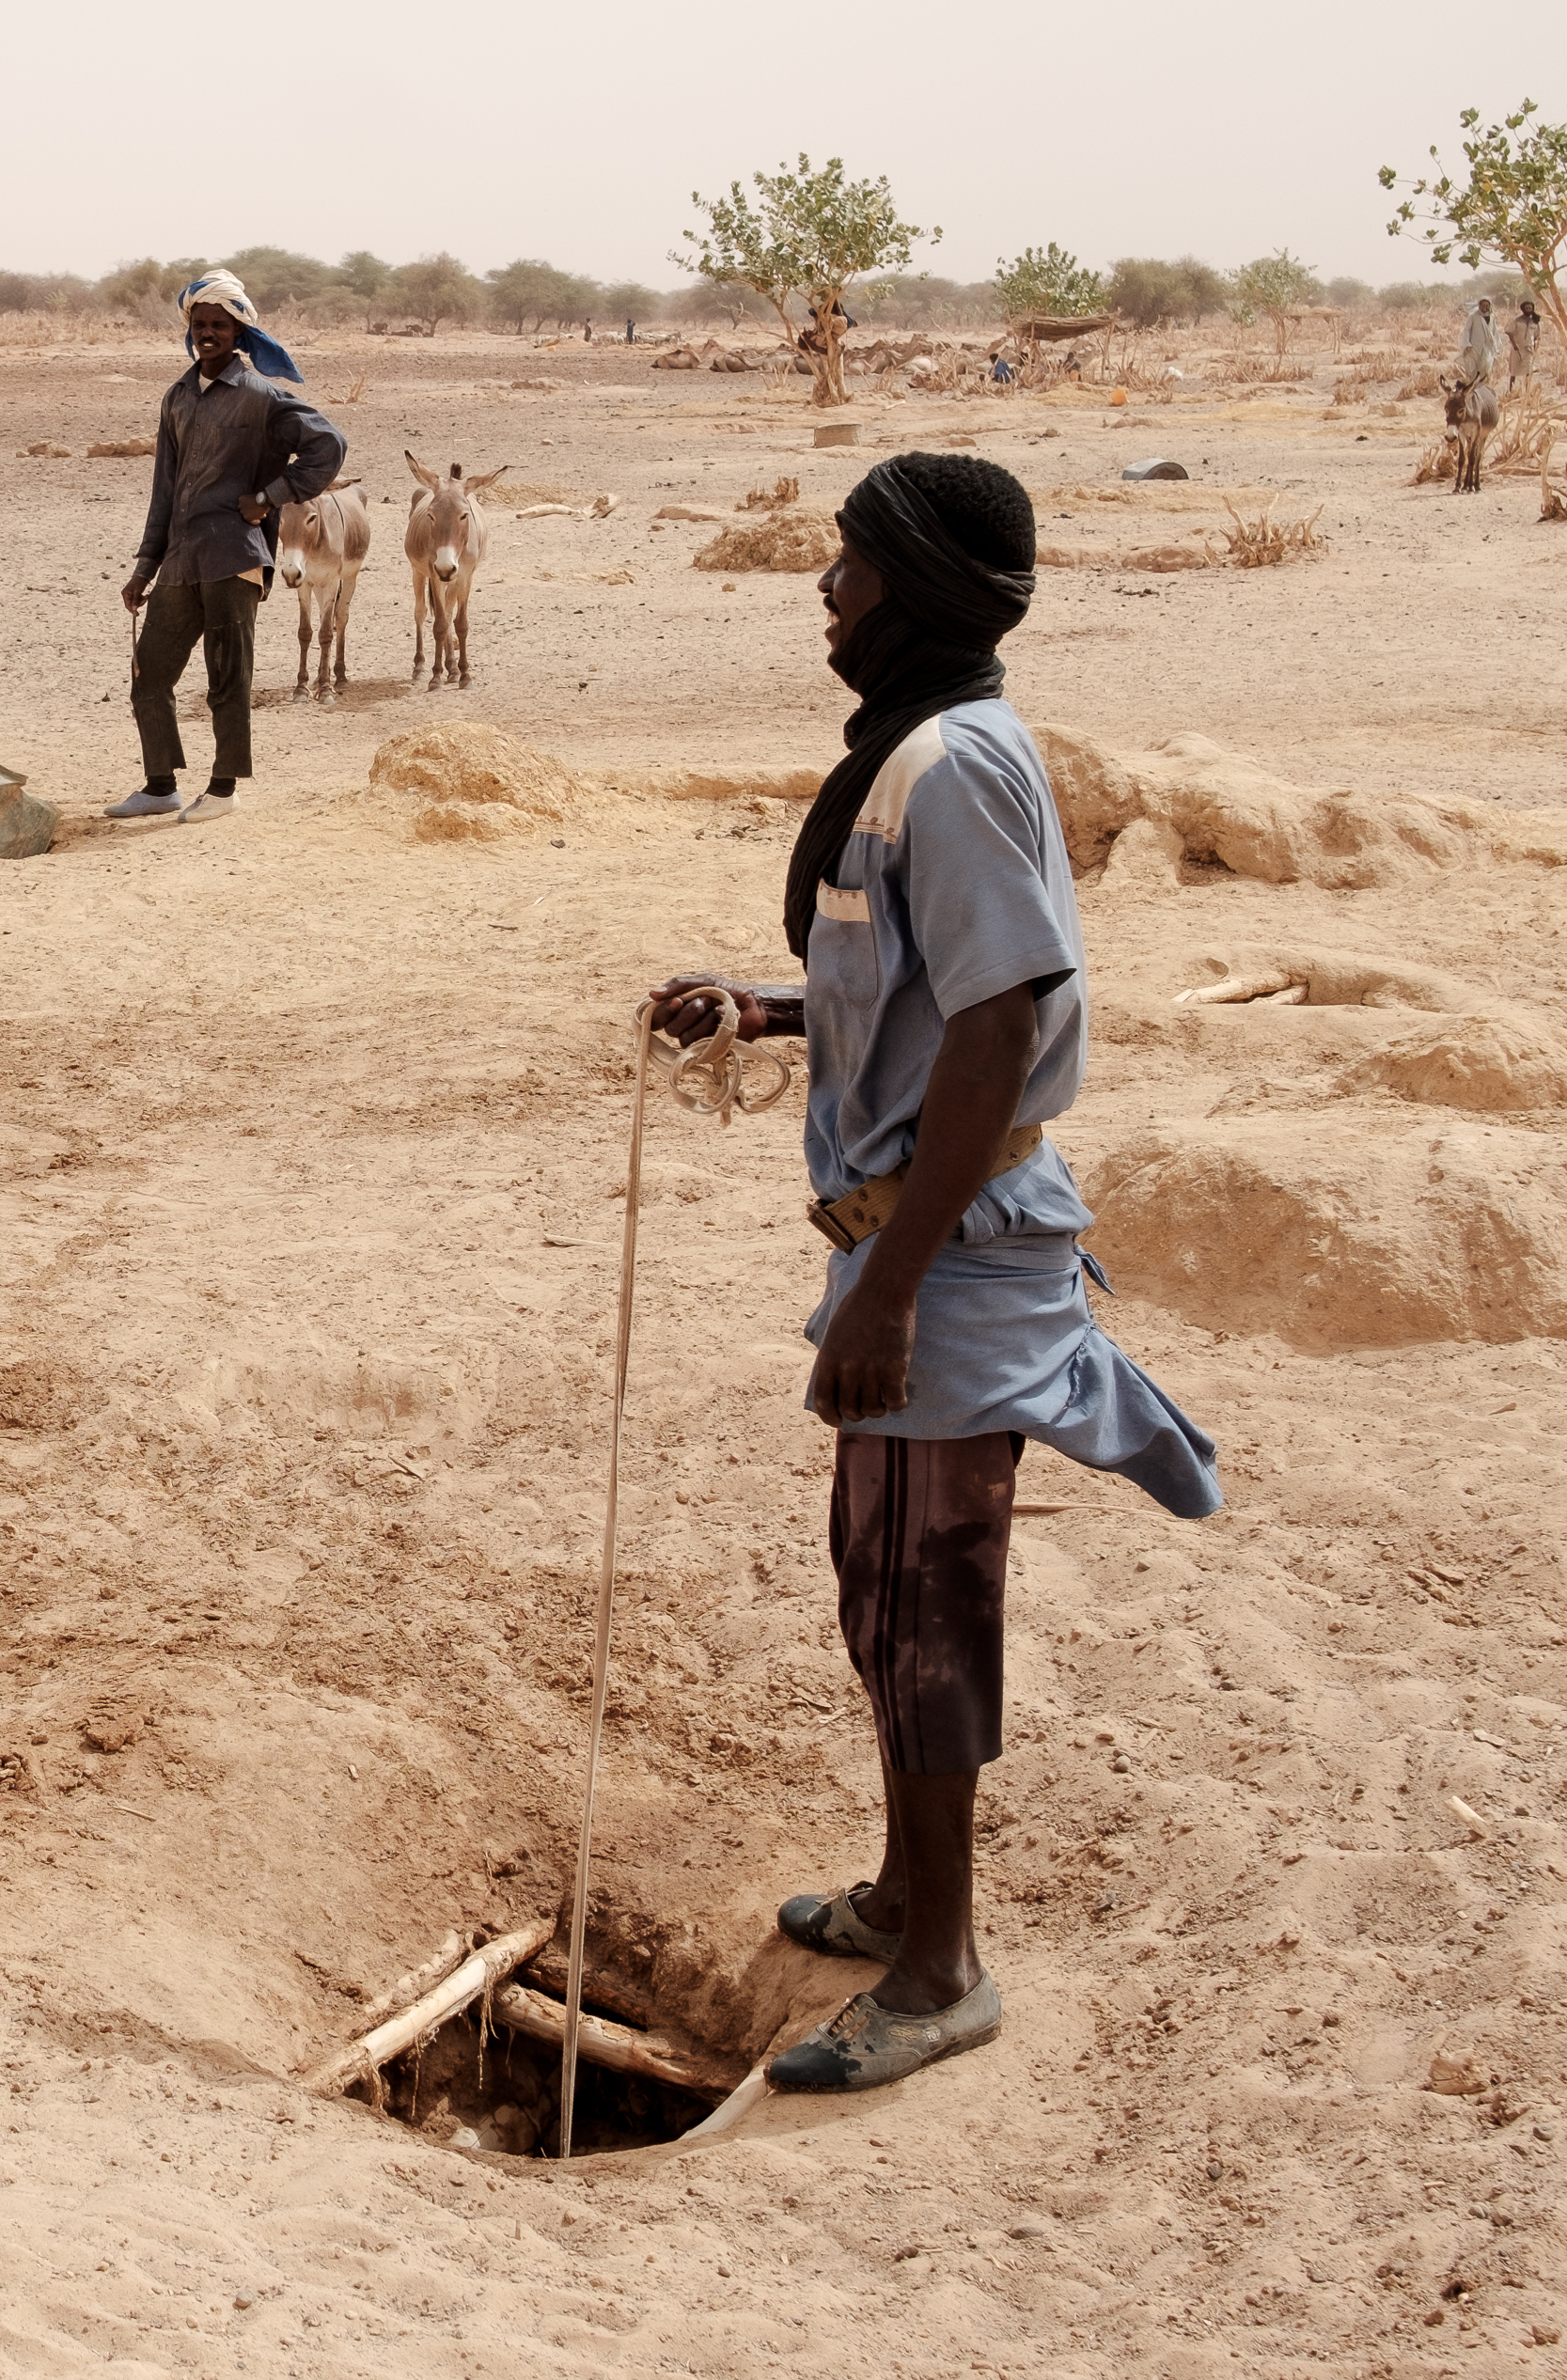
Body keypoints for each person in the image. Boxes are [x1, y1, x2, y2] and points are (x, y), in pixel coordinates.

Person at [647, 451, 1222, 2095]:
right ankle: (907, 1892)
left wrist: (892, 1288)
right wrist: (765, 1007)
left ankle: (945, 1964)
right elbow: (917, 987)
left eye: (852, 562)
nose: (826, 586)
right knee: (881, 1583)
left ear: (919, 587)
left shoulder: (956, 764)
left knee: (926, 1602)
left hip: (951, 1266)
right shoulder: (915, 757)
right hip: (919, 1249)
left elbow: (1002, 1021)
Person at [112, 271, 347, 825]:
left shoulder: (262, 396)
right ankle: (161, 785)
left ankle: (222, 790)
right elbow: (164, 490)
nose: (208, 333)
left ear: (240, 331)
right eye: (200, 324)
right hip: (180, 559)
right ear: (189, 329)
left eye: (220, 324)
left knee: (227, 679)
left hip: (235, 558)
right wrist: (145, 567)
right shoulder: (177, 397)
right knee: (149, 675)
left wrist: (270, 495)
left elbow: (328, 445)